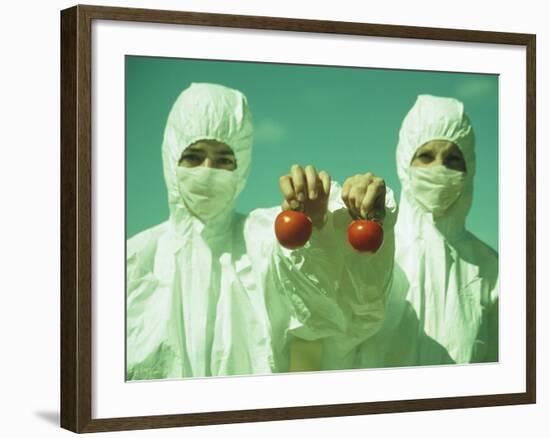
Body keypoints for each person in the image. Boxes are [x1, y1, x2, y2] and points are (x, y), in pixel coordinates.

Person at [126, 82, 398, 380]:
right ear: (171, 158)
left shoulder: (261, 240)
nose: (207, 170)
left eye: (224, 160)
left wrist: (323, 223)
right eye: (193, 156)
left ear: (241, 167)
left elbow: (329, 313)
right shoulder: (133, 261)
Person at [358, 94, 499, 367]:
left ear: (469, 167)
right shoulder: (377, 250)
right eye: (426, 156)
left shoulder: (491, 268)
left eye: (453, 159)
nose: (439, 168)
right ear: (404, 163)